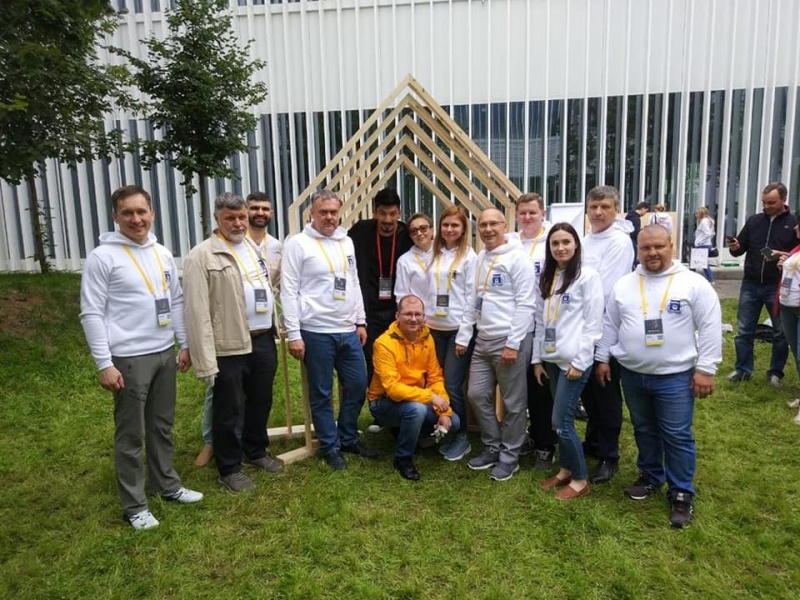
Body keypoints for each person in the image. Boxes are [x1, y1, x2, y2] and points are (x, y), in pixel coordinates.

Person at [80, 185, 202, 530]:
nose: (136, 219)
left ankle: (167, 485)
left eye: (141, 211)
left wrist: (184, 344)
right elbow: (91, 312)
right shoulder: (102, 257)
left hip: (163, 352)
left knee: (161, 426)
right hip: (129, 357)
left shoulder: (161, 253)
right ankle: (134, 506)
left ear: (152, 213)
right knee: (131, 434)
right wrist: (104, 363)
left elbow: (175, 300)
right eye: (127, 213)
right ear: (115, 216)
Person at [596, 225, 722, 528]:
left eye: (658, 246)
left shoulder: (693, 283)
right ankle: (651, 475)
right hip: (633, 373)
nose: (652, 253)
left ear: (671, 246)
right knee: (643, 428)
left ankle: (681, 492)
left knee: (676, 434)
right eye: (645, 248)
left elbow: (710, 326)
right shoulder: (625, 284)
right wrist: (602, 358)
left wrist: (706, 369)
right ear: (637, 250)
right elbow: (611, 324)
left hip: (674, 376)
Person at [183, 193, 282, 494]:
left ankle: (255, 450)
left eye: (241, 217)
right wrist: (204, 359)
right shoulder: (201, 256)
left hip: (262, 338)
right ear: (217, 218)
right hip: (229, 344)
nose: (238, 223)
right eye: (230, 218)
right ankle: (229, 467)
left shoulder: (251, 247)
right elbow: (197, 311)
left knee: (261, 399)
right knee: (229, 407)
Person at [281, 189, 379, 470]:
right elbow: (288, 290)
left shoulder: (345, 242)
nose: (329, 217)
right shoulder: (297, 244)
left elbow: (354, 281)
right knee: (322, 392)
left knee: (358, 384)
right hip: (316, 331)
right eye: (323, 212)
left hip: (347, 329)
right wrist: (294, 333)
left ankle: (347, 436)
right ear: (311, 213)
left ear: (339, 212)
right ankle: (330, 445)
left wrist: (360, 321)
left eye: (333, 212)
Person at [457, 207, 536, 482]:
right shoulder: (480, 258)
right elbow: (472, 299)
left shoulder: (518, 259)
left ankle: (510, 457)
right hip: (483, 338)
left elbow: (526, 304)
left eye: (493, 224)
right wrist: (464, 336)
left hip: (508, 340)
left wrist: (513, 344)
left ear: (505, 226)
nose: (488, 229)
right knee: (476, 394)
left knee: (513, 402)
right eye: (483, 225)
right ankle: (492, 445)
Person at [532, 223, 604, 500]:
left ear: (576, 244)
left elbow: (593, 324)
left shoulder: (587, 276)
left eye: (566, 242)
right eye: (555, 243)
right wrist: (537, 360)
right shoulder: (549, 277)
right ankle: (565, 469)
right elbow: (540, 321)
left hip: (573, 362)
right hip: (551, 358)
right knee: (559, 420)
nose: (560, 247)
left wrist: (581, 362)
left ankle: (580, 479)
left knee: (561, 421)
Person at [368, 295, 459, 480]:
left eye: (418, 314)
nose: (413, 319)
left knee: (454, 421)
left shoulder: (427, 338)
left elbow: (435, 377)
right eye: (408, 314)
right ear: (397, 316)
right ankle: (403, 459)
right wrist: (430, 397)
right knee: (416, 410)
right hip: (383, 401)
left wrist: (443, 412)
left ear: (424, 317)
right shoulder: (383, 343)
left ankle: (408, 433)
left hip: (414, 398)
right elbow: (393, 389)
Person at [580, 185, 635, 484]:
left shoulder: (619, 242)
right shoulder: (585, 240)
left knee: (606, 393)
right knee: (588, 392)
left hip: (605, 328)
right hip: (581, 327)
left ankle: (608, 455)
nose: (598, 212)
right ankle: (593, 441)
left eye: (605, 207)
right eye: (593, 207)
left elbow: (605, 291)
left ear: (616, 210)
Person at [348, 188, 413, 433]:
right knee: (372, 364)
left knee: (400, 363)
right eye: (382, 213)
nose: (387, 220)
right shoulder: (360, 232)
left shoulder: (406, 234)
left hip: (397, 312)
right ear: (374, 212)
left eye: (392, 214)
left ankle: (397, 415)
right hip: (368, 312)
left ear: (399, 213)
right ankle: (378, 413)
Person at [727, 182, 795, 387]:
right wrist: (735, 247)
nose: (766, 206)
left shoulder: (793, 223)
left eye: (771, 203)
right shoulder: (754, 220)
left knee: (780, 333)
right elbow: (739, 249)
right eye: (764, 202)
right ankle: (743, 370)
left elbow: (797, 254)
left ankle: (775, 373)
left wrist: (781, 255)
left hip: (777, 285)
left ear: (783, 200)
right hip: (751, 282)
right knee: (744, 330)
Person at [509, 193, 557, 471]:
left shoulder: (552, 241)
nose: (527, 217)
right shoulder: (510, 242)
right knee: (520, 388)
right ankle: (529, 436)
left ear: (543, 214)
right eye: (523, 213)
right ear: (516, 215)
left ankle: (545, 445)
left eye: (532, 212)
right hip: (516, 324)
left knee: (541, 388)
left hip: (544, 322)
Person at [425, 206, 477, 462]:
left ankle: (461, 435)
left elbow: (472, 298)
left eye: (455, 225)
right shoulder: (433, 254)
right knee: (434, 382)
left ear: (464, 229)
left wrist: (464, 335)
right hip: (433, 329)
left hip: (457, 330)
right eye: (445, 225)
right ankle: (439, 427)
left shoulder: (469, 257)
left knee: (453, 384)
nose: (449, 229)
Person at [776, 215, 800, 425]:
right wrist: (782, 265)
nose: (796, 228)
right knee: (797, 354)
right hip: (787, 307)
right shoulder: (796, 250)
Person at [394, 213, 434, 302]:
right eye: (413, 231)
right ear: (410, 236)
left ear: (432, 230)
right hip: (419, 310)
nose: (419, 233)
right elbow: (401, 295)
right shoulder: (404, 261)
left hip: (446, 308)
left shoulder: (444, 253)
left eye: (423, 228)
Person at [692, 206, 716, 283]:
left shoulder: (703, 222)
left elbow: (707, 233)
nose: (696, 214)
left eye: (697, 213)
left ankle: (691, 279)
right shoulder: (709, 221)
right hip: (706, 244)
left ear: (701, 214)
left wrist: (699, 241)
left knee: (694, 263)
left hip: (701, 245)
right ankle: (710, 279)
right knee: (703, 263)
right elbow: (712, 233)